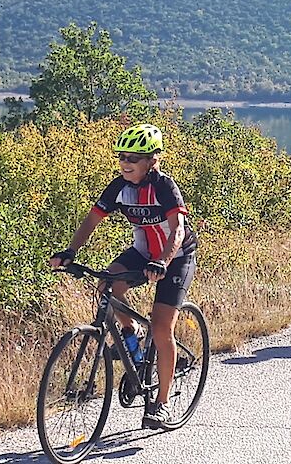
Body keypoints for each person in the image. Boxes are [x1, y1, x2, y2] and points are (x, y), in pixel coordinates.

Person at [49, 123, 197, 430]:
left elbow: (178, 231)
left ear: (152, 160)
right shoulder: (119, 187)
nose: (125, 163)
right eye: (122, 157)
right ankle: (132, 334)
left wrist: (163, 261)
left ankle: (162, 404)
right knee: (106, 284)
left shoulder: (164, 187)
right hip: (143, 252)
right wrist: (70, 251)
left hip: (176, 256)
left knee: (162, 327)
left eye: (133, 158)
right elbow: (92, 220)